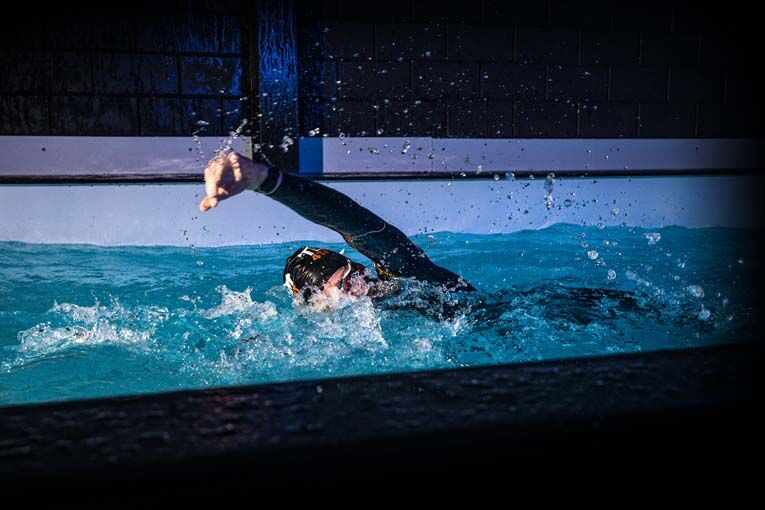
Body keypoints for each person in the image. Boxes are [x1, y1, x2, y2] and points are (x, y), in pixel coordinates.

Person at [199, 152, 475, 305]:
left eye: (355, 269)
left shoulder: (409, 278)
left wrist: (264, 179)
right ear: (321, 302)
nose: (364, 278)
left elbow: (354, 223)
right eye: (346, 283)